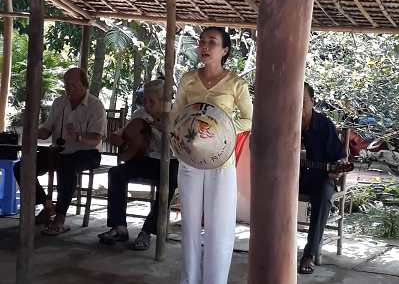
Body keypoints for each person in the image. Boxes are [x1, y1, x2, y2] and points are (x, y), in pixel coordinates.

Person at [173, 27, 252, 284]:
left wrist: (223, 130)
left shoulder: (235, 83)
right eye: (202, 42)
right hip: (190, 158)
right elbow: (176, 115)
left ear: (225, 50)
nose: (205, 47)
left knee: (220, 227)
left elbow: (251, 119)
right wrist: (179, 132)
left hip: (222, 161)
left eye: (212, 43)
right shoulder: (188, 79)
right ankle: (189, 280)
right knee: (190, 225)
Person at [14, 67, 106, 236]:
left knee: (67, 166)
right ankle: (47, 206)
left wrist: (78, 136)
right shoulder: (59, 103)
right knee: (22, 166)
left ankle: (61, 217)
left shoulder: (96, 105)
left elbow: (96, 138)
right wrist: (34, 132)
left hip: (88, 152)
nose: (69, 90)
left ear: (85, 85)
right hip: (58, 151)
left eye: (74, 86)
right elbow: (46, 130)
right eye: (66, 85)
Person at [97, 79, 178, 250]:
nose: (147, 105)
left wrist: (166, 132)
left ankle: (147, 231)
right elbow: (126, 131)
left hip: (170, 162)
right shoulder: (139, 114)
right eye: (145, 100)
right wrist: (118, 136)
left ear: (165, 100)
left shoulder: (176, 117)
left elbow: (182, 147)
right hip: (145, 161)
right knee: (115, 173)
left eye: (152, 101)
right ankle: (119, 227)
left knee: (168, 184)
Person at [299, 82, 348, 275]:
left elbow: (339, 158)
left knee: (325, 193)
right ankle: (270, 246)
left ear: (312, 101)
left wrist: (340, 166)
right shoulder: (284, 122)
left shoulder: (324, 125)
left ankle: (310, 254)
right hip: (293, 177)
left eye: (302, 101)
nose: (299, 105)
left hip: (321, 176)